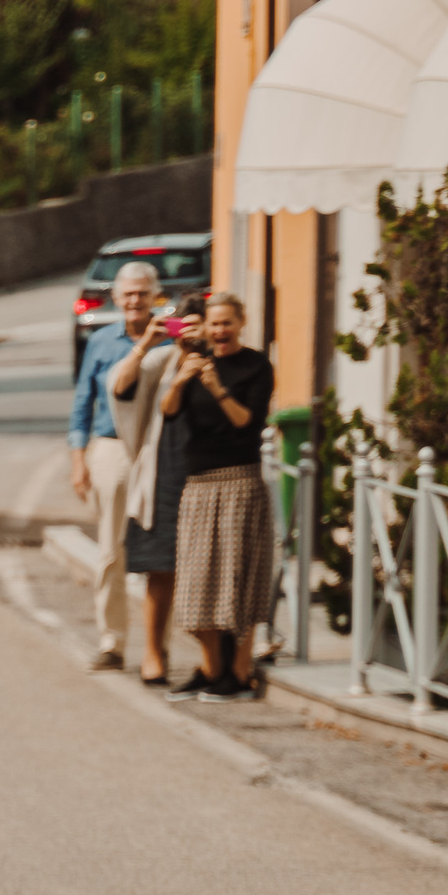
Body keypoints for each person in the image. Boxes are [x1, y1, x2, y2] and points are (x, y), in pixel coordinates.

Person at [158, 293, 277, 702]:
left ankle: (240, 672)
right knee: (194, 584)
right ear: (205, 326)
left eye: (227, 323)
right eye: (214, 324)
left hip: (239, 481)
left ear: (241, 323)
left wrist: (217, 387)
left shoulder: (256, 366)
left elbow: (248, 422)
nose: (220, 331)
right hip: (199, 484)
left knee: (236, 582)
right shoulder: (195, 361)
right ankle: (211, 668)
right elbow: (169, 411)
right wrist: (181, 377)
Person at [69, 262, 162, 669]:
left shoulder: (168, 341)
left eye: (142, 293)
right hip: (110, 449)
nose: (134, 301)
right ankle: (113, 641)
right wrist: (78, 459)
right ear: (116, 298)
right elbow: (82, 402)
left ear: (154, 296)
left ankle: (158, 648)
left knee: (161, 553)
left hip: (158, 449)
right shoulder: (101, 341)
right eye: (127, 294)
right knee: (111, 548)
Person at [109, 289, 187, 686]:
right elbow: (120, 387)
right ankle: (154, 652)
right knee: (161, 568)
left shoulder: (225, 363)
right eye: (184, 326)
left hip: (213, 473)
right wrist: (145, 344)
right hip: (167, 469)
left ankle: (218, 656)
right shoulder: (163, 358)